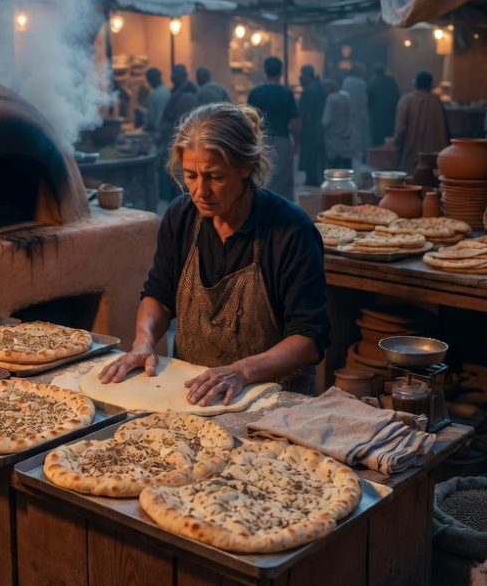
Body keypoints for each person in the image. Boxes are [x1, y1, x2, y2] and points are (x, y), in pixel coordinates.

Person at [98, 102, 330, 405]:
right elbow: (158, 294)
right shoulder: (181, 217)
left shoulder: (290, 231)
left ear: (246, 167)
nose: (200, 192)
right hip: (195, 395)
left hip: (275, 401)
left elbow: (310, 339)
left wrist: (242, 371)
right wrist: (144, 340)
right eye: (191, 176)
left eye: (215, 177)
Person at [247, 56, 299, 199]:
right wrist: (296, 142)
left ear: (265, 71)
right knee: (282, 180)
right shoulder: (287, 93)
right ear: (281, 72)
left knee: (262, 178)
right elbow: (294, 122)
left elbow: (248, 119)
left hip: (260, 140)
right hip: (281, 140)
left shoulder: (255, 93)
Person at [394, 69, 450, 178]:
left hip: (412, 155)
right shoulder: (437, 102)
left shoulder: (406, 101)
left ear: (415, 83)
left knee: (410, 182)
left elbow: (400, 129)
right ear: (431, 85)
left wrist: (397, 144)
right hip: (435, 159)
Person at [158, 64, 198, 200]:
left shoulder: (188, 92)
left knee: (179, 180)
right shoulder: (178, 91)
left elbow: (182, 119)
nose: (172, 77)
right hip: (174, 140)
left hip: (183, 142)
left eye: (175, 74)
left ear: (182, 75)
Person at [298, 64, 326, 186]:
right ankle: (314, 177)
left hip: (311, 126)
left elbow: (304, 111)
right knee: (314, 153)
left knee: (310, 153)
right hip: (317, 125)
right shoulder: (318, 87)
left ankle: (312, 179)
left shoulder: (310, 89)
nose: (300, 78)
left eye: (302, 75)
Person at [341, 65, 371, 168]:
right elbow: (365, 98)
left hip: (349, 112)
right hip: (361, 111)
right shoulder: (362, 83)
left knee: (351, 135)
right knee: (362, 136)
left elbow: (344, 97)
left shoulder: (347, 81)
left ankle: (351, 160)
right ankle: (361, 158)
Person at [321, 79, 353, 168]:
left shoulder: (330, 99)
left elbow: (326, 120)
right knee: (346, 165)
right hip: (345, 136)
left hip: (333, 137)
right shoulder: (345, 98)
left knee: (334, 165)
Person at [367, 63, 400, 147]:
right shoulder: (391, 82)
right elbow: (397, 97)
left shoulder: (372, 83)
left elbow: (369, 102)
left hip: (376, 117)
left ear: (374, 72)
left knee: (377, 142)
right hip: (390, 115)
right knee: (389, 140)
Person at [144, 67, 170, 140]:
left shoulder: (153, 95)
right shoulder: (167, 92)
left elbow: (151, 119)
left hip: (156, 133)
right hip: (167, 131)